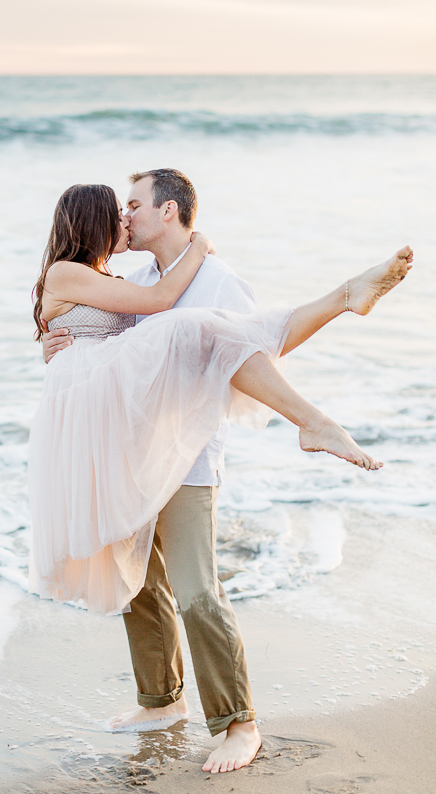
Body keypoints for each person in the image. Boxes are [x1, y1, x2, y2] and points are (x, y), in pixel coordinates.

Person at [33, 173, 412, 774]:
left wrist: (204, 253)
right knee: (141, 587)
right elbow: (103, 341)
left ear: (170, 210)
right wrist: (55, 346)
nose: (125, 218)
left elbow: (260, 346)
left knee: (197, 593)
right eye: (119, 209)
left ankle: (240, 723)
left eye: (134, 206)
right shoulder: (130, 279)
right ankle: (160, 702)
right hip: (130, 454)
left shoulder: (216, 278)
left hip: (186, 456)